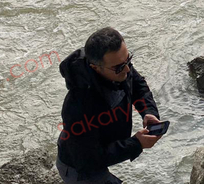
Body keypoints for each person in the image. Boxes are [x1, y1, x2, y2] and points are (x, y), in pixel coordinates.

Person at [56, 27, 163, 184]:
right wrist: (136, 144)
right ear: (95, 68)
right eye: (120, 66)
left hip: (101, 146)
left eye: (129, 60)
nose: (127, 69)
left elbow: (139, 86)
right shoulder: (78, 106)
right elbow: (90, 160)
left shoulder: (119, 67)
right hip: (80, 168)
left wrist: (148, 112)